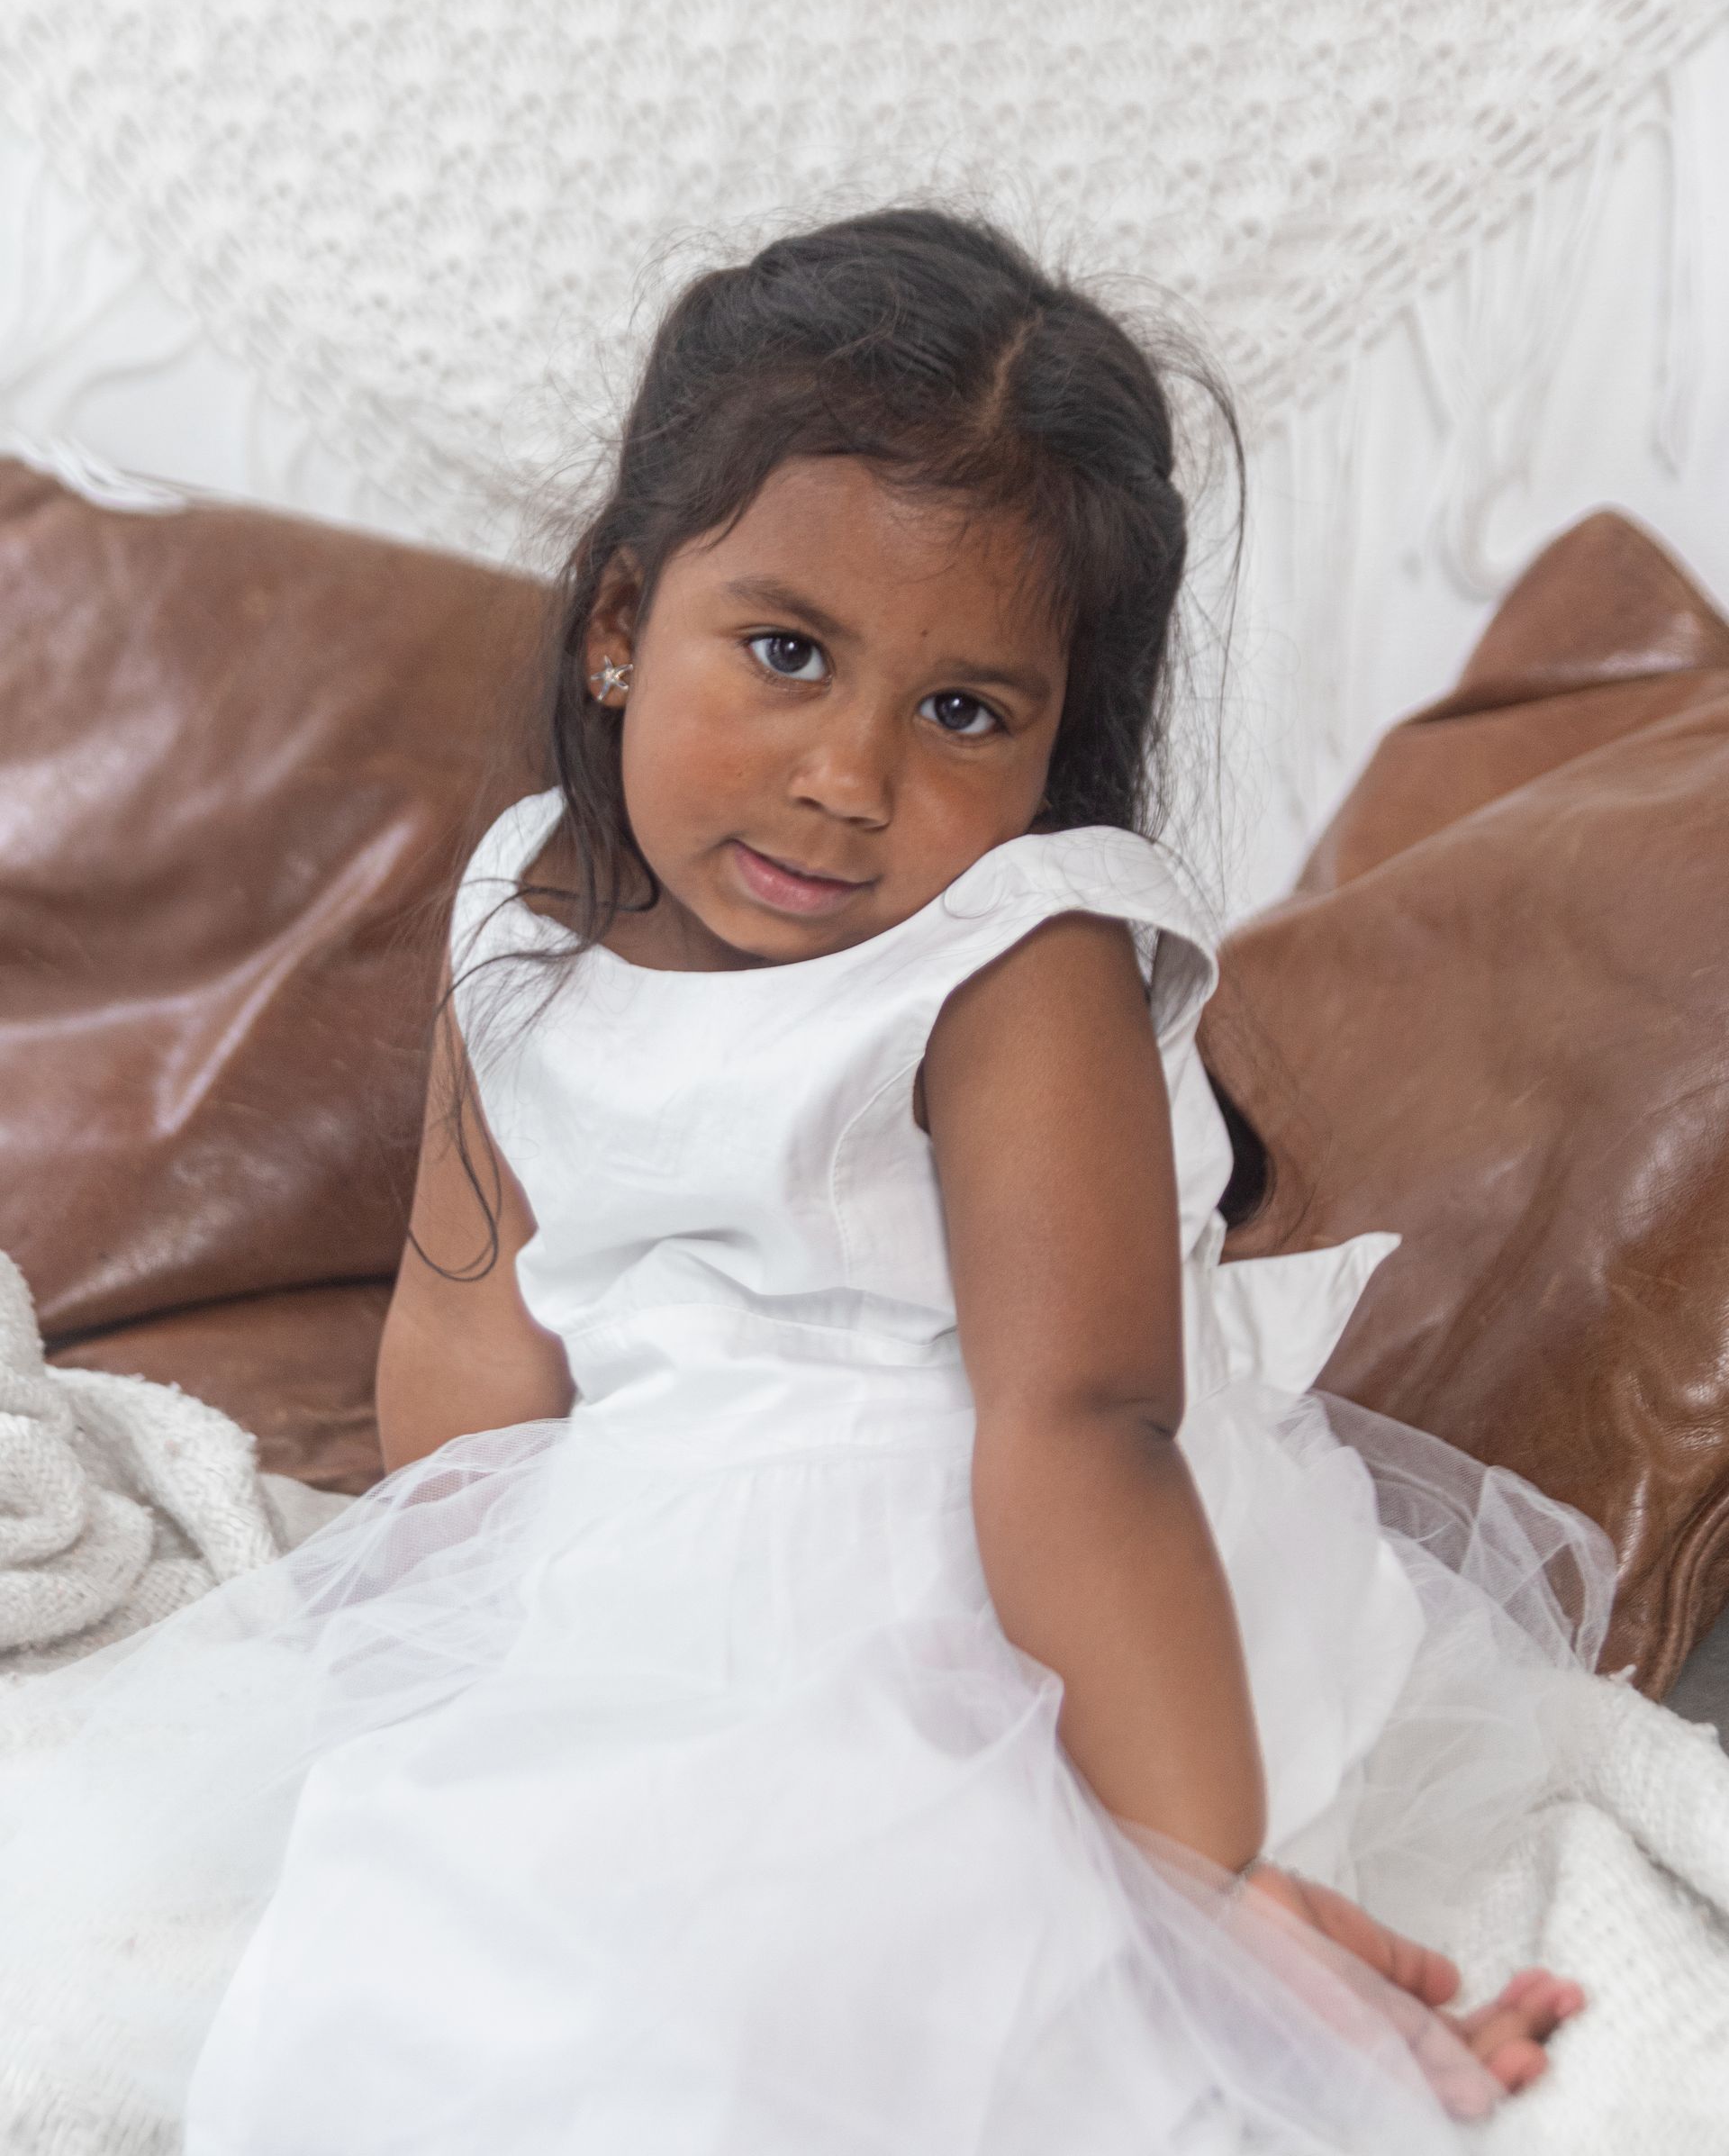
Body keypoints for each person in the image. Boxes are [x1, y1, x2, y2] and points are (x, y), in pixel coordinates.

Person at [1, 211, 1608, 2153]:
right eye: (784, 652)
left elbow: (1080, 1422)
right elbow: (466, 1317)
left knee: (763, 2030)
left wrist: (1211, 1888)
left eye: (961, 712)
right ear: (618, 627)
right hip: (639, 1533)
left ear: (1051, 745)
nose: (849, 773)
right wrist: (438, 1653)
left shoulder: (1017, 957)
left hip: (998, 1567)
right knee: (381, 1992)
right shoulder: (529, 903)